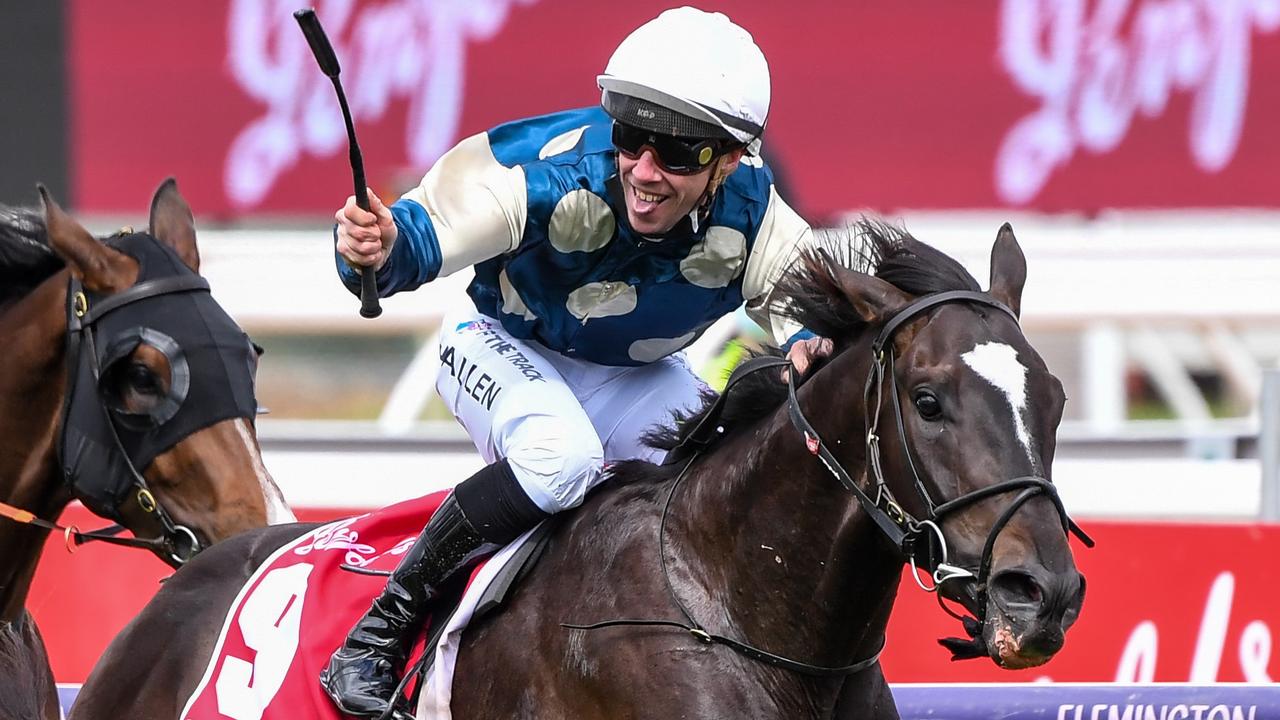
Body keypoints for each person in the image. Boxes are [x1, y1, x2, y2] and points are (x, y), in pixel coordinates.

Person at [319, 6, 832, 718]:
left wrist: (811, 340)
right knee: (560, 459)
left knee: (721, 466)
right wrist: (373, 249)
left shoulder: (755, 210)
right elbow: (412, 241)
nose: (645, 172)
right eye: (632, 139)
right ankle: (383, 628)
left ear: (731, 159)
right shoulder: (544, 172)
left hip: (627, 377)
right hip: (498, 342)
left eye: (678, 154)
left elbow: (814, 299)